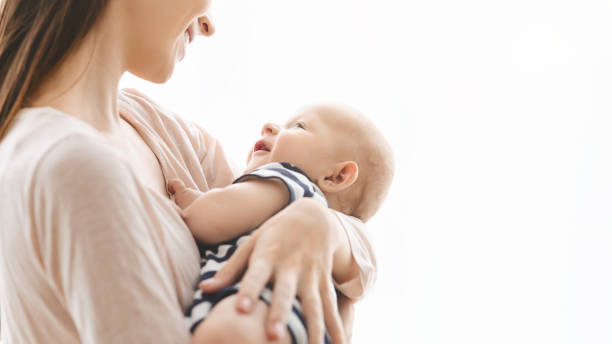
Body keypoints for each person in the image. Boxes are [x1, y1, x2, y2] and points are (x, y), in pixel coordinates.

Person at [0, 1, 377, 343]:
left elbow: (353, 250)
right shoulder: (72, 165)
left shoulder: (157, 127)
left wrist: (324, 226)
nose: (209, 23)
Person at [169, 104, 394, 344]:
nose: (270, 126)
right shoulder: (329, 251)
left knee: (226, 335)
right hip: (300, 327)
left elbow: (208, 220)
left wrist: (193, 201)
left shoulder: (288, 180)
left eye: (299, 126)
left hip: (259, 309)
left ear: (335, 177)